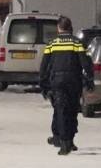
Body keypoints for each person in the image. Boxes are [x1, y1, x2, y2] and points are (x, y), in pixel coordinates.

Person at [39, 16, 94, 155]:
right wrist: (89, 78)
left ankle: (64, 143)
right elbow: (85, 63)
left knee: (61, 111)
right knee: (72, 111)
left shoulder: (52, 43)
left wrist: (43, 83)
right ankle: (70, 140)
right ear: (70, 27)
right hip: (74, 81)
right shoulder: (77, 43)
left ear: (59, 28)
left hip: (57, 82)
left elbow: (44, 65)